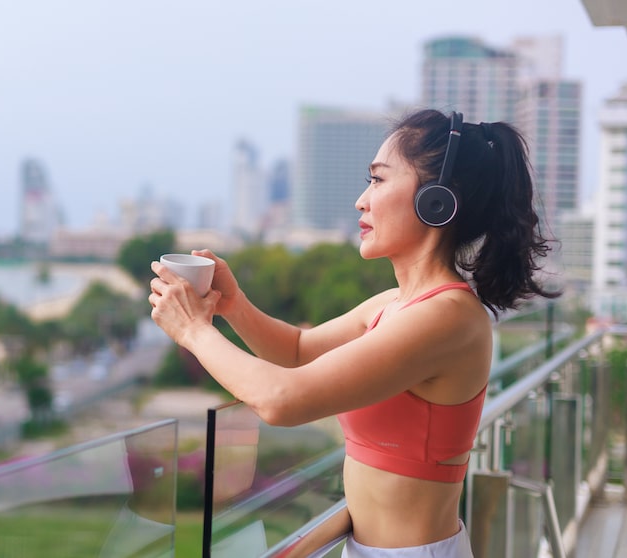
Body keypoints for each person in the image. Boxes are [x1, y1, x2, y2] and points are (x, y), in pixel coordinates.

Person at [148, 108, 559, 557]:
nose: (361, 201)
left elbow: (283, 399)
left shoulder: (449, 317)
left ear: (437, 200)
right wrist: (234, 306)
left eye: (379, 180)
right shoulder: (394, 305)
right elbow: (299, 352)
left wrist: (193, 331)